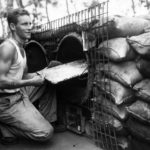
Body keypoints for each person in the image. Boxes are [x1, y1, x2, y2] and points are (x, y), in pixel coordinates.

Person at [0, 8, 57, 144]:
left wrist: (43, 73)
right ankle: (6, 128)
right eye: (25, 24)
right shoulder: (7, 48)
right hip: (5, 102)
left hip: (19, 93)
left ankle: (46, 121)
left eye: (30, 24)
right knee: (45, 133)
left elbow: (23, 75)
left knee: (47, 81)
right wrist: (31, 82)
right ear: (13, 26)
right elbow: (0, 81)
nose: (29, 27)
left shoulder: (22, 48)